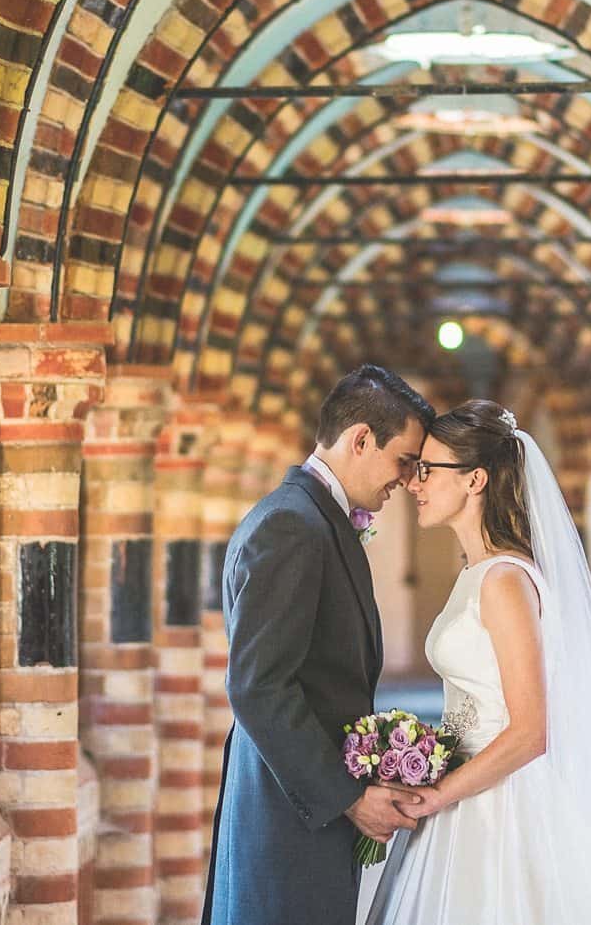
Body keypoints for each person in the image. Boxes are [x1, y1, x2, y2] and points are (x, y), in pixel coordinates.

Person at [362, 400, 591, 924]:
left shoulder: (505, 582)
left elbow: (530, 731)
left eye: (428, 470)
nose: (413, 483)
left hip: (499, 805)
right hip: (464, 792)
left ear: (475, 480)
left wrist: (437, 794)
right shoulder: (477, 573)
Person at [203, 365, 436, 925]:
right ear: (361, 440)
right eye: (403, 460)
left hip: (301, 810)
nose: (406, 480)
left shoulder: (310, 518)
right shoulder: (293, 525)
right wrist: (350, 797)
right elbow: (256, 685)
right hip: (285, 817)